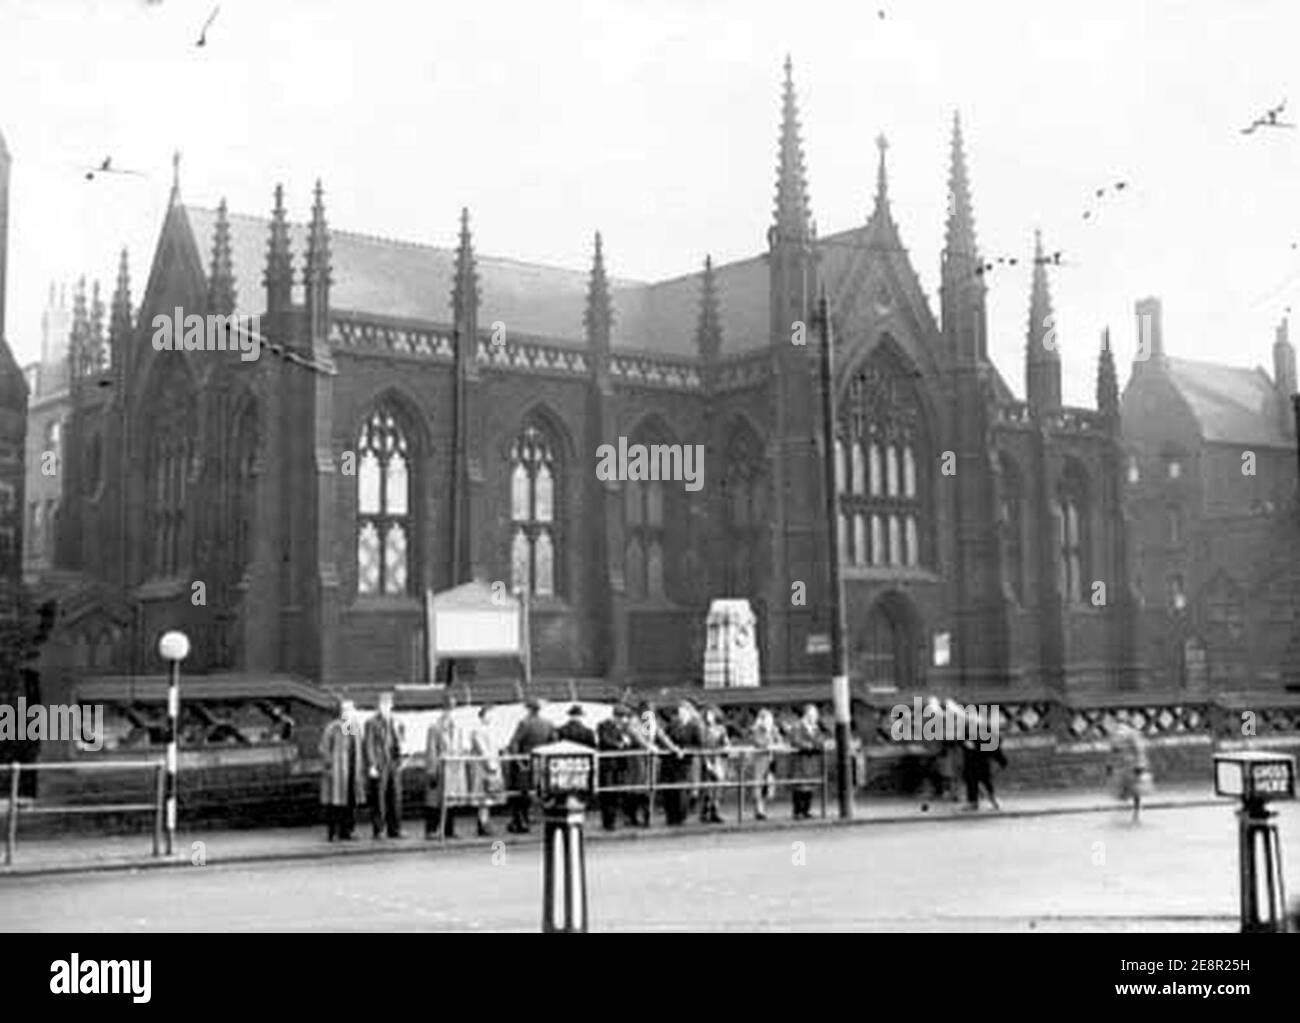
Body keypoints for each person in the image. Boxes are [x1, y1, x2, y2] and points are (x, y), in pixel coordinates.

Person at [506, 698, 557, 833]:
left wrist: (518, 761)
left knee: (520, 793)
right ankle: (530, 819)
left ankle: (521, 820)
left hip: (526, 762)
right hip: (541, 762)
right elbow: (553, 742)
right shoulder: (548, 724)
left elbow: (514, 743)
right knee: (538, 792)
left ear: (528, 709)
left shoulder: (524, 723)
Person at [319, 699, 364, 841]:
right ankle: (333, 832)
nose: (348, 713)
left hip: (352, 770)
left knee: (350, 802)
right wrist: (329, 766)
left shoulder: (354, 727)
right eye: (345, 710)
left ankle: (347, 831)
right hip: (338, 772)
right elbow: (324, 748)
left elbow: (358, 747)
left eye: (350, 710)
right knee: (335, 803)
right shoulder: (333, 728)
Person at [425, 694, 467, 839]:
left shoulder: (459, 727)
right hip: (440, 768)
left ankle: (449, 828)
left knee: (451, 799)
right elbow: (431, 750)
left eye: (452, 708)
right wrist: (432, 770)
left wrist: (460, 765)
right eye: (448, 708)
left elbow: (461, 747)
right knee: (435, 801)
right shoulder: (435, 727)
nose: (450, 712)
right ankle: (432, 829)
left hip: (453, 768)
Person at [363, 692, 404, 839]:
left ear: (391, 705)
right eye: (382, 704)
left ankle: (395, 829)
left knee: (395, 797)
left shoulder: (396, 720)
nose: (384, 707)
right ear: (378, 706)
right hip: (380, 764)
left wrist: (401, 757)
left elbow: (401, 739)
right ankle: (379, 829)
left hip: (393, 763)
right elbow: (368, 745)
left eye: (387, 704)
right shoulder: (371, 722)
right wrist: (372, 765)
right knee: (379, 798)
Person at [596, 704, 636, 831]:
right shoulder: (604, 725)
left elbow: (630, 740)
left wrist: (626, 742)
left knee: (617, 793)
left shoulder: (624, 728)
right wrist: (620, 744)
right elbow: (605, 741)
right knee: (608, 794)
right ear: (616, 716)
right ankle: (608, 822)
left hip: (620, 765)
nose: (624, 720)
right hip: (608, 765)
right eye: (622, 717)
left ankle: (612, 820)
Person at [661, 701, 701, 825]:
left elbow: (698, 745)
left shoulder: (694, 727)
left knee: (681, 791)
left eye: (683, 711)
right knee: (670, 790)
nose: (681, 713)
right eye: (679, 711)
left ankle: (681, 816)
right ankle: (670, 816)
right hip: (670, 762)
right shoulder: (672, 724)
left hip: (685, 763)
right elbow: (664, 739)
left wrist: (686, 751)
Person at [465, 706, 502, 837]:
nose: (491, 717)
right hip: (483, 767)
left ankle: (485, 822)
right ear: (483, 716)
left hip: (489, 765)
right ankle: (483, 823)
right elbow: (483, 749)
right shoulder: (478, 730)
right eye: (489, 714)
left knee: (487, 796)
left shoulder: (490, 730)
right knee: (483, 797)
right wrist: (491, 764)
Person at [1109, 722, 1153, 823]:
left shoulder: (1133, 736)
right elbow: (1113, 752)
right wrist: (1111, 764)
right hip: (1123, 766)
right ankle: (1128, 810)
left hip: (1132, 765)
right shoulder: (1116, 737)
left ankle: (1136, 812)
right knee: (1124, 788)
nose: (1120, 731)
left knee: (1136, 790)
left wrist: (1140, 765)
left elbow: (1140, 751)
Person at [786, 704, 825, 820]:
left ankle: (806, 810)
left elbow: (821, 741)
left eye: (815, 715)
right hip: (800, 760)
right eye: (813, 714)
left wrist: (815, 745)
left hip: (811, 761)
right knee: (799, 786)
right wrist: (810, 746)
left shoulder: (815, 728)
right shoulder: (798, 726)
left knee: (809, 786)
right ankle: (798, 810)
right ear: (807, 715)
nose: (815, 717)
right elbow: (796, 741)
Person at [698, 706, 729, 824]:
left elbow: (725, 742)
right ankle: (704, 811)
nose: (709, 717)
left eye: (711, 714)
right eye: (707, 714)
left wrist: (725, 748)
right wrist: (706, 762)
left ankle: (715, 810)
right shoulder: (702, 729)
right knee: (707, 786)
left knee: (718, 785)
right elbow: (702, 745)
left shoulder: (721, 729)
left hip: (717, 759)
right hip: (707, 758)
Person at [748, 707, 780, 821]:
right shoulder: (756, 730)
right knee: (759, 785)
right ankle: (759, 810)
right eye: (766, 719)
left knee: (769, 785)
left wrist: (773, 738)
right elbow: (758, 743)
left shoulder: (774, 730)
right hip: (760, 761)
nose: (768, 721)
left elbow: (779, 741)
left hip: (771, 760)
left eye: (770, 719)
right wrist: (768, 742)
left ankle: (763, 808)